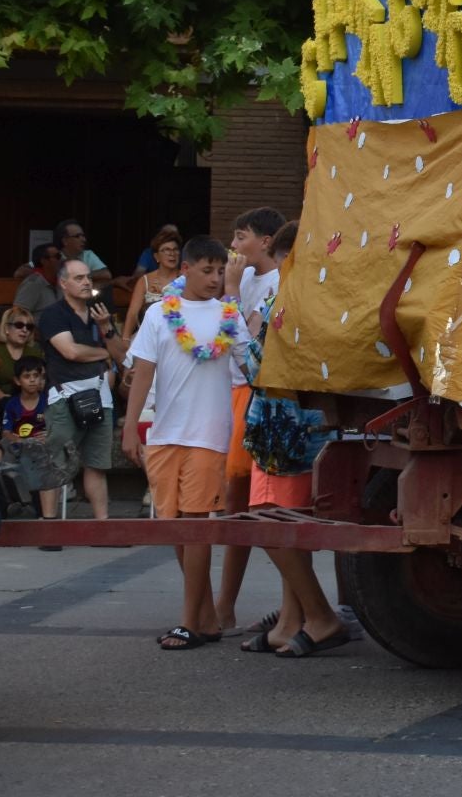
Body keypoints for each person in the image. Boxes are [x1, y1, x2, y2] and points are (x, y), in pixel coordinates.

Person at [120, 236, 243, 649]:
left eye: (220, 270)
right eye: (206, 270)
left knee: (195, 526)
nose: (214, 278)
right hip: (165, 433)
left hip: (208, 435)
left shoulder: (230, 314)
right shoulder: (158, 314)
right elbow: (144, 372)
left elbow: (252, 364)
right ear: (185, 269)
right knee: (174, 526)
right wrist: (130, 428)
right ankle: (205, 617)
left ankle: (189, 621)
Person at [237, 221, 349, 657]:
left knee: (270, 525)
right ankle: (290, 621)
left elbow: (254, 363)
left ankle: (320, 615)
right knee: (285, 526)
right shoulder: (321, 296)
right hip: (305, 426)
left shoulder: (286, 297)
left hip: (280, 429)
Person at [213, 206, 286, 634]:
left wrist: (232, 291)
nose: (234, 246)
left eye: (241, 237)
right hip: (226, 390)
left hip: (252, 392)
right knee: (231, 506)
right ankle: (221, 602)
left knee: (249, 505)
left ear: (266, 241)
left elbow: (246, 341)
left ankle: (228, 604)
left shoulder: (275, 282)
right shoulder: (243, 279)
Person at [38, 256, 129, 520]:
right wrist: (103, 353)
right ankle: (49, 525)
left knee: (97, 465)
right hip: (66, 394)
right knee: (56, 462)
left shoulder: (98, 312)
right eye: (79, 278)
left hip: (101, 395)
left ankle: (102, 525)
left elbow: (121, 355)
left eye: (88, 277)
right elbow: (71, 352)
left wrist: (105, 329)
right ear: (64, 283)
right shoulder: (54, 314)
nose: (87, 282)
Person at [0, 358, 61, 524]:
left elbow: (57, 428)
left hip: (42, 448)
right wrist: (19, 440)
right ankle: (13, 504)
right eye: (27, 376)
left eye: (36, 376)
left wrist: (48, 435)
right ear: (18, 381)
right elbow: (6, 432)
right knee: (2, 456)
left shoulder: (48, 401)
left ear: (42, 379)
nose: (32, 380)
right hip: (19, 447)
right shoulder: (12, 404)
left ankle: (41, 511)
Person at [123, 229, 183, 336]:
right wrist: (126, 338)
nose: (172, 254)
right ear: (156, 257)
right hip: (148, 335)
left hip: (179, 336)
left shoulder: (186, 279)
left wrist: (165, 296)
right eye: (166, 250)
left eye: (175, 249)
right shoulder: (144, 280)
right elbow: (133, 313)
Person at [0, 304, 42, 404]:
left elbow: (41, 382)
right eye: (19, 325)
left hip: (31, 404)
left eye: (29, 327)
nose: (25, 330)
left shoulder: (35, 352)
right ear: (6, 328)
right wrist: (5, 400)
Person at [52, 219, 112, 285]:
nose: (84, 240)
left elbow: (106, 274)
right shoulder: (54, 257)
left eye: (83, 236)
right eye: (77, 236)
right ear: (65, 241)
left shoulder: (88, 255)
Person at [12, 243, 64, 314]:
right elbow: (17, 313)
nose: (61, 259)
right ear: (44, 261)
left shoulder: (59, 282)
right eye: (58, 256)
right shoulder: (33, 284)